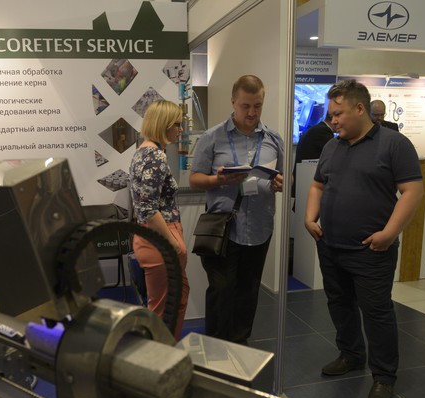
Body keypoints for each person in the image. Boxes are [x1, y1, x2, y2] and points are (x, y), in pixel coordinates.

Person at [304, 79, 423, 398]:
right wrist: (310, 218)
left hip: (372, 250)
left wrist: (389, 233)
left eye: (338, 114)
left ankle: (384, 376)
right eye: (331, 115)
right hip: (330, 245)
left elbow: (412, 191)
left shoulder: (394, 144)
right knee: (339, 304)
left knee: (376, 312)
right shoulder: (331, 147)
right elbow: (317, 185)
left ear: (360, 108)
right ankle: (351, 354)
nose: (333, 120)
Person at [189, 75, 285, 344]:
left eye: (257, 106)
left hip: (259, 228)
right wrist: (218, 180)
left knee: (248, 292)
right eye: (245, 106)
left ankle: (241, 348)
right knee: (221, 292)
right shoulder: (212, 137)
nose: (252, 112)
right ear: (233, 102)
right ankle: (216, 350)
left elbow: (283, 177)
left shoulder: (273, 139)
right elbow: (195, 179)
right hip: (224, 229)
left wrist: (280, 183)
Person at [130, 99, 190, 339]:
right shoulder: (156, 156)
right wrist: (172, 243)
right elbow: (147, 208)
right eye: (177, 124)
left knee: (174, 301)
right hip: (160, 238)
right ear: (163, 124)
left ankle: (165, 352)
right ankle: (159, 355)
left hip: (152, 238)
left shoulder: (142, 152)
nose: (180, 129)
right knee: (163, 311)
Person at [292, 111, 335, 198]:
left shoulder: (316, 129)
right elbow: (333, 157)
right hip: (309, 181)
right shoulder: (324, 131)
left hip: (302, 180)